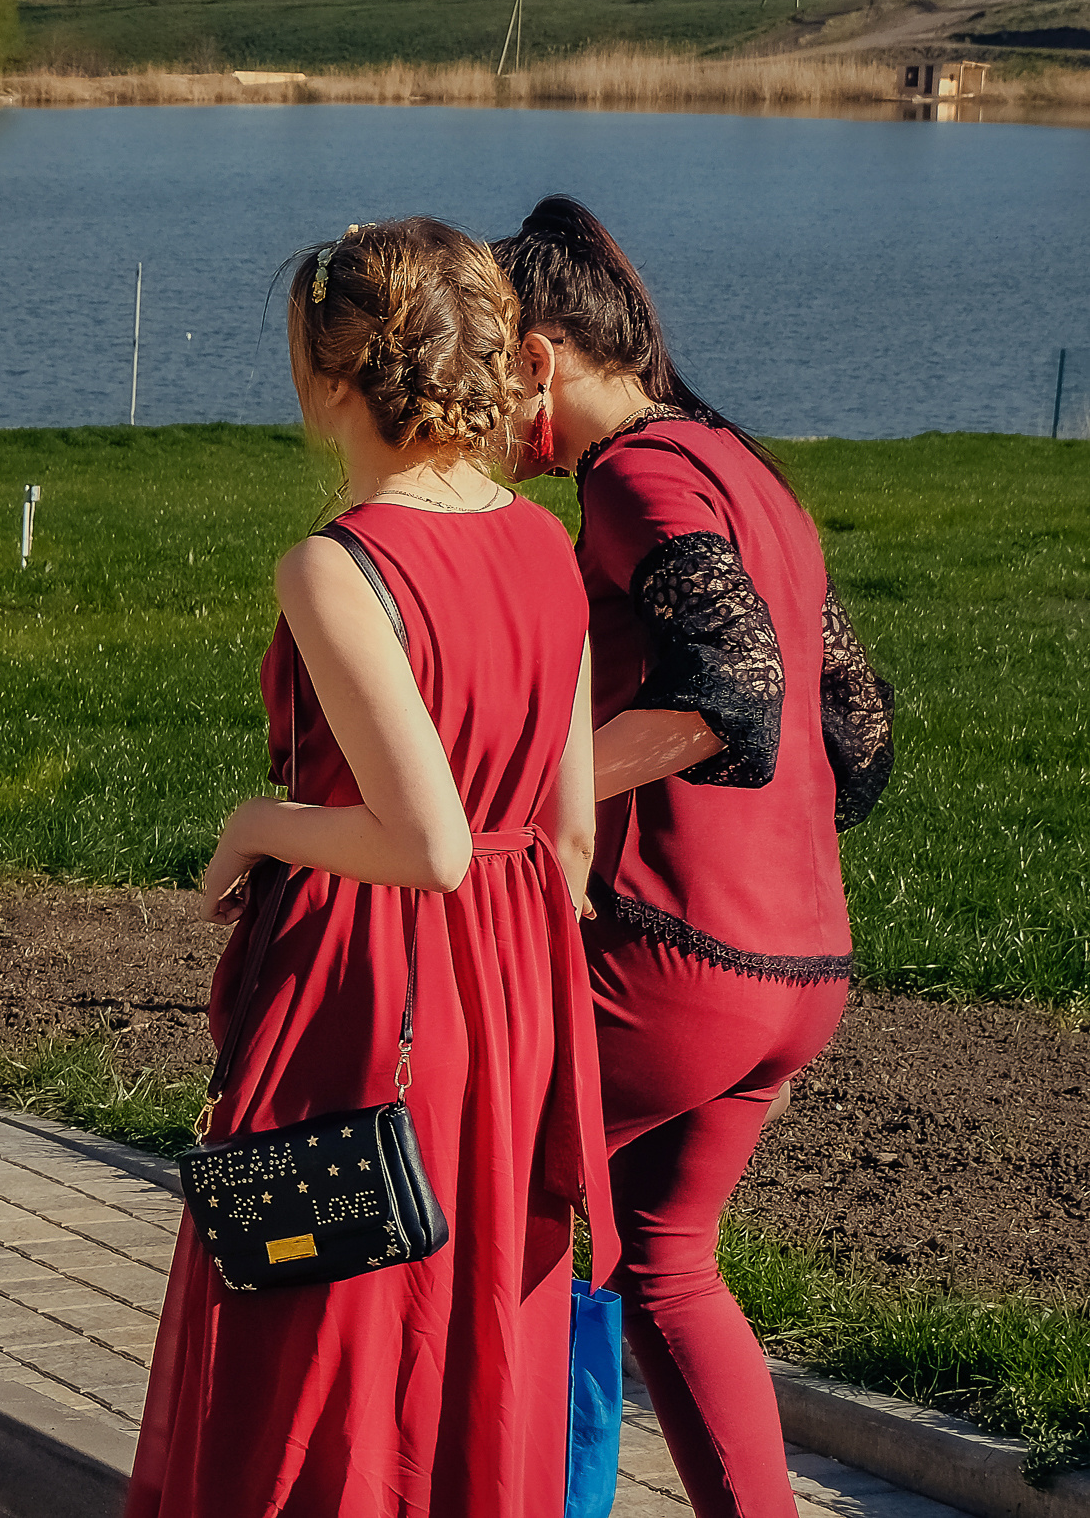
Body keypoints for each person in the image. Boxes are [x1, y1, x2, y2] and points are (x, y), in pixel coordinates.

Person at [126, 219, 616, 1518]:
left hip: (365, 992)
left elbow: (428, 844)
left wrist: (257, 822)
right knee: (472, 1329)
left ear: (335, 376)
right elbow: (567, 837)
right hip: (514, 999)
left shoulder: (338, 565)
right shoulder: (547, 546)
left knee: (318, 1339)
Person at [494, 195, 894, 1518]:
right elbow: (858, 733)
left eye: (488, 374)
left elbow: (736, 689)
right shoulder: (745, 470)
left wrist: (519, 797)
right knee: (667, 1261)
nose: (478, 413)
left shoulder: (631, 474)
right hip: (801, 966)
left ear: (540, 356)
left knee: (469, 1208)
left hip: (674, 962)